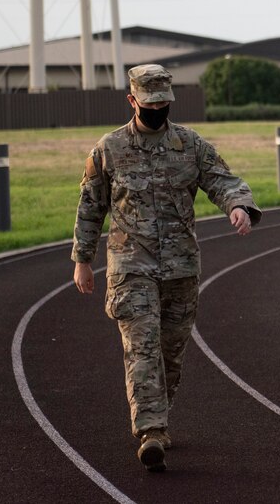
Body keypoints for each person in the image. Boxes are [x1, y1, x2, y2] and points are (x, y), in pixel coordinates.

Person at [71, 64, 261, 472]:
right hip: (130, 266)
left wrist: (239, 206)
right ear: (132, 101)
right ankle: (151, 430)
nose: (158, 109)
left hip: (180, 268)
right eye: (150, 103)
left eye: (164, 103)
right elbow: (90, 208)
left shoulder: (190, 145)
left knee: (170, 354)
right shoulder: (109, 149)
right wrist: (83, 260)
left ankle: (159, 416)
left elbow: (222, 180)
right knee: (142, 347)